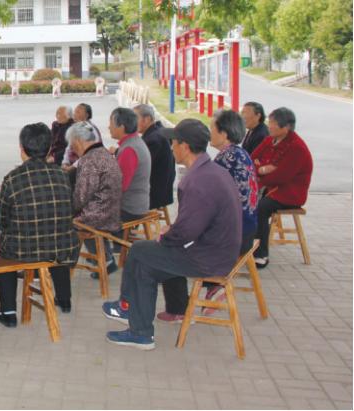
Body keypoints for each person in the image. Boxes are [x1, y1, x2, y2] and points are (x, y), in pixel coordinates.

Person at [102, 119, 242, 350]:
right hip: (217, 250)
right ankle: (138, 325)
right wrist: (172, 231)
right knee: (145, 264)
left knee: (139, 250)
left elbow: (186, 232)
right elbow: (195, 222)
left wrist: (165, 237)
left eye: (174, 143)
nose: (171, 147)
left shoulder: (197, 181)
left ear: (185, 147)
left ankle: (131, 315)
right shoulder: (211, 171)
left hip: (208, 257)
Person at [157, 110, 259, 322]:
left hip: (232, 235)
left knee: (171, 244)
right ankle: (206, 291)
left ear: (224, 133)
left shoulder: (222, 162)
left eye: (213, 129)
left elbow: (203, 212)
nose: (209, 133)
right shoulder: (239, 154)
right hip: (244, 228)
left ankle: (179, 308)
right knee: (177, 235)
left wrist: (174, 230)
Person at [0, 123, 79, 326]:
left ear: (21, 149)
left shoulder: (12, 179)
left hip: (22, 251)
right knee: (56, 237)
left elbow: (2, 219)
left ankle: (8, 313)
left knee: (1, 252)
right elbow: (71, 208)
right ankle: (65, 300)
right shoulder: (62, 175)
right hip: (63, 246)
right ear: (50, 149)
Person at [91, 107, 151, 280]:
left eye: (111, 124)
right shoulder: (132, 144)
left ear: (122, 127)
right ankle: (106, 255)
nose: (108, 127)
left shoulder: (129, 150)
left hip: (129, 207)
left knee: (83, 217)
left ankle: (106, 259)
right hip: (134, 201)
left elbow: (118, 187)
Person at [251, 107, 313, 268]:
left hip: (289, 193)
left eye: (273, 123)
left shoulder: (296, 147)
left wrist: (262, 170)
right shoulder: (269, 140)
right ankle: (243, 243)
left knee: (261, 208)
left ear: (286, 128)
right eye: (269, 122)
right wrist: (264, 168)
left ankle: (261, 254)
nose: (269, 126)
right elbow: (252, 159)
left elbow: (282, 176)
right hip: (269, 187)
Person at [68, 122, 122, 240]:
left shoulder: (89, 160)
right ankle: (105, 256)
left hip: (99, 219)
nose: (72, 148)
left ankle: (100, 257)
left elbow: (80, 199)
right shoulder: (104, 152)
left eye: (72, 144)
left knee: (59, 221)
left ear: (77, 141)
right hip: (113, 213)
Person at [133, 104, 175, 212]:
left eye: (135, 118)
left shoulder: (153, 140)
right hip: (163, 189)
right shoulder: (157, 131)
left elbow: (138, 168)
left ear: (147, 119)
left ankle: (122, 227)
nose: (132, 123)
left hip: (155, 194)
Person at [63, 103, 102, 171]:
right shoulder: (76, 128)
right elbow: (69, 148)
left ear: (86, 115)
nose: (74, 114)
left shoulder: (90, 129)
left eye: (78, 112)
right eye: (74, 111)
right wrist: (65, 163)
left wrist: (72, 167)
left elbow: (89, 153)